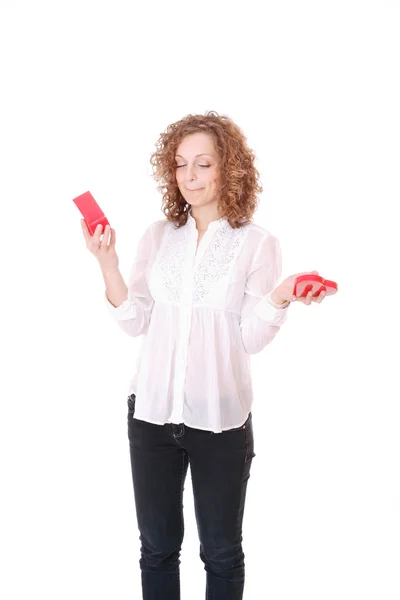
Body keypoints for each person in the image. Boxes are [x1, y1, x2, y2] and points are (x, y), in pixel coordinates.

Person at [81, 110, 326, 600]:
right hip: (150, 415)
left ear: (229, 168)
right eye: (180, 165)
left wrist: (279, 297)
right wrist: (106, 261)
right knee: (156, 549)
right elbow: (135, 321)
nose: (189, 177)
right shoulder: (157, 236)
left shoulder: (258, 244)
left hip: (220, 421)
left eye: (203, 165)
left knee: (220, 551)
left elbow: (251, 338)